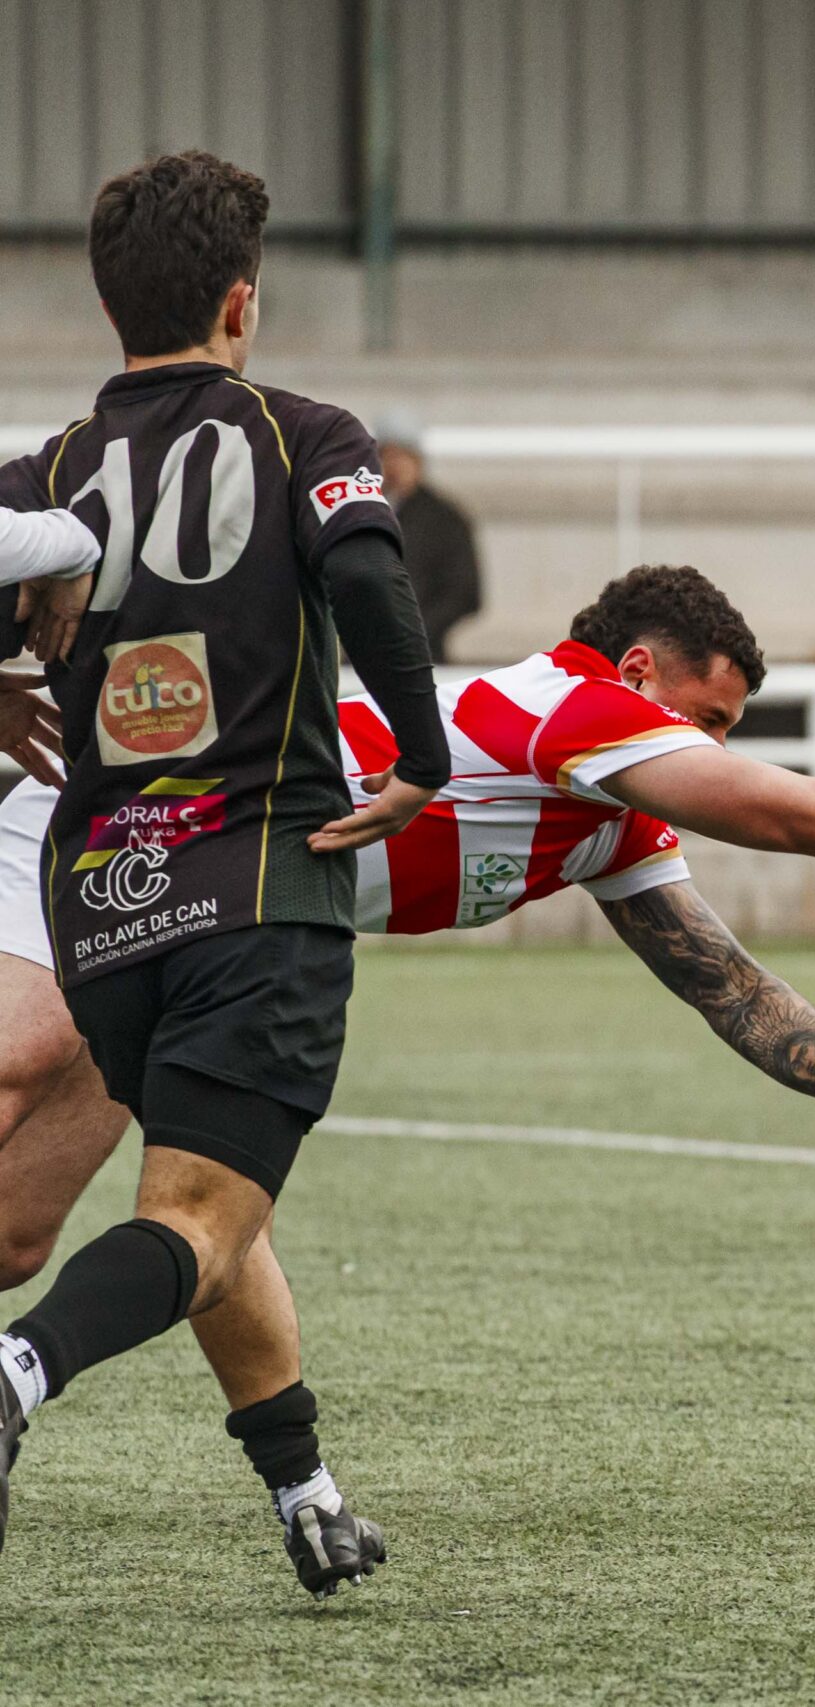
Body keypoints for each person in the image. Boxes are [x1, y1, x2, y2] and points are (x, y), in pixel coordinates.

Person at [0, 563, 815, 1595]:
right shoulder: (572, 709)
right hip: (120, 833)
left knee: (115, 1225)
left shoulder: (607, 817)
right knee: (29, 1066)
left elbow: (723, 982)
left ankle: (303, 1492)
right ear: (638, 672)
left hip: (211, 924)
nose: (711, 752)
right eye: (706, 720)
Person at [0, 150, 453, 1588]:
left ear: (106, 305)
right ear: (242, 302)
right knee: (200, 1214)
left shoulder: (45, 474)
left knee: (207, 1208)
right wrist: (423, 758)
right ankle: (15, 1373)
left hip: (101, 906)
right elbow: (369, 574)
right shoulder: (302, 431)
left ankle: (305, 1491)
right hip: (259, 883)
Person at [373, 412, 482, 662]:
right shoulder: (366, 509)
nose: (394, 466)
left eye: (402, 456)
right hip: (364, 651)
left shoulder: (445, 519)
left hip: (424, 653)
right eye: (387, 456)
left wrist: (415, 629)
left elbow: (464, 592)